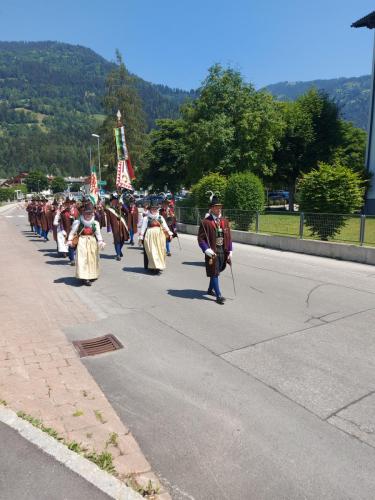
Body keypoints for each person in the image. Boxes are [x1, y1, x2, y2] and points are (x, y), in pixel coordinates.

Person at [197, 194, 233, 305]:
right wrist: (207, 250)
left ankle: (209, 289)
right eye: (216, 207)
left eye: (220, 207)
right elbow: (200, 239)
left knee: (217, 271)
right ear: (212, 208)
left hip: (223, 250)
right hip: (212, 252)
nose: (219, 209)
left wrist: (230, 251)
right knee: (214, 273)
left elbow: (229, 237)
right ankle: (219, 296)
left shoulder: (224, 221)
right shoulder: (205, 222)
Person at [67, 202, 105, 286]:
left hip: (92, 242)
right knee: (83, 259)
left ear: (92, 213)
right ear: (83, 213)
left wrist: (100, 242)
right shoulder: (78, 222)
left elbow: (98, 234)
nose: (88, 215)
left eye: (90, 213)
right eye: (86, 213)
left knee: (92, 259)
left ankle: (92, 275)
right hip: (82, 242)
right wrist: (69, 240)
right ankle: (85, 277)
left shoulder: (95, 223)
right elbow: (72, 232)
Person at [139, 199, 173, 274]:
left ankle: (158, 266)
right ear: (150, 209)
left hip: (160, 237)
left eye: (155, 208)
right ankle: (153, 266)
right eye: (152, 208)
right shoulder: (146, 218)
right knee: (152, 251)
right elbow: (143, 228)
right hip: (149, 236)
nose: (154, 210)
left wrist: (169, 233)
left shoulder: (160, 217)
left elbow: (165, 226)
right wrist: (141, 237)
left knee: (160, 251)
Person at [105, 193, 129, 261]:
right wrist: (109, 229)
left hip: (123, 225)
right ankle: (118, 254)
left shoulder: (120, 206)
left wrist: (123, 205)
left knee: (123, 239)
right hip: (115, 227)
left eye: (115, 200)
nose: (114, 202)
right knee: (117, 240)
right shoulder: (109, 209)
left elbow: (127, 212)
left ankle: (119, 251)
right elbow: (108, 220)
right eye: (113, 201)